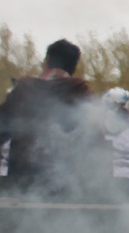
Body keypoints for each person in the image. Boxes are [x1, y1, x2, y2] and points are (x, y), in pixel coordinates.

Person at [0, 38, 98, 180]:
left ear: (47, 60)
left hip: (21, 182)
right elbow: (95, 139)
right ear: (74, 67)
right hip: (67, 182)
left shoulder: (23, 89)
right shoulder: (81, 92)